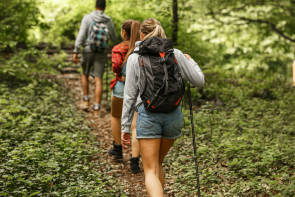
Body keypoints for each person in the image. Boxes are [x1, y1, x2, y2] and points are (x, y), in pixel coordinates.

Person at [121, 18, 205, 196]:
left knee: (150, 170)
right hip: (173, 116)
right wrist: (191, 61)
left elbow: (129, 96)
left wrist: (125, 127)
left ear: (141, 35)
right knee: (158, 163)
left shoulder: (135, 58)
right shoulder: (176, 54)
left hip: (148, 115)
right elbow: (199, 81)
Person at [109, 20, 141, 173]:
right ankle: (135, 161)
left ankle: (118, 149)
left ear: (124, 32)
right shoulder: (142, 48)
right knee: (135, 125)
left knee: (116, 116)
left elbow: (115, 67)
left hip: (121, 87)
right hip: (139, 90)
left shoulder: (118, 48)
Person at [73, 0, 117, 113]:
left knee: (85, 74)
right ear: (105, 7)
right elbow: (114, 38)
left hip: (87, 50)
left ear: (95, 5)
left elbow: (81, 35)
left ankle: (86, 101)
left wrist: (76, 50)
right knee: (98, 78)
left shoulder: (87, 18)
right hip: (101, 52)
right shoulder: (108, 20)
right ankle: (97, 106)